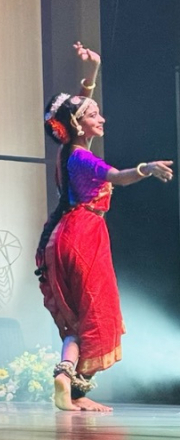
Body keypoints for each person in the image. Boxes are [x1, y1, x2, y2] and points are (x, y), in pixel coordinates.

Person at [36, 43, 172, 412]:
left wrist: (92, 72)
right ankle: (70, 385)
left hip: (69, 232)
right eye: (94, 115)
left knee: (81, 318)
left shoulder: (69, 150)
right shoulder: (82, 157)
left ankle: (68, 382)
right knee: (97, 313)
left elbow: (77, 104)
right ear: (79, 124)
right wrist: (145, 168)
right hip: (83, 235)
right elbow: (117, 176)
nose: (102, 118)